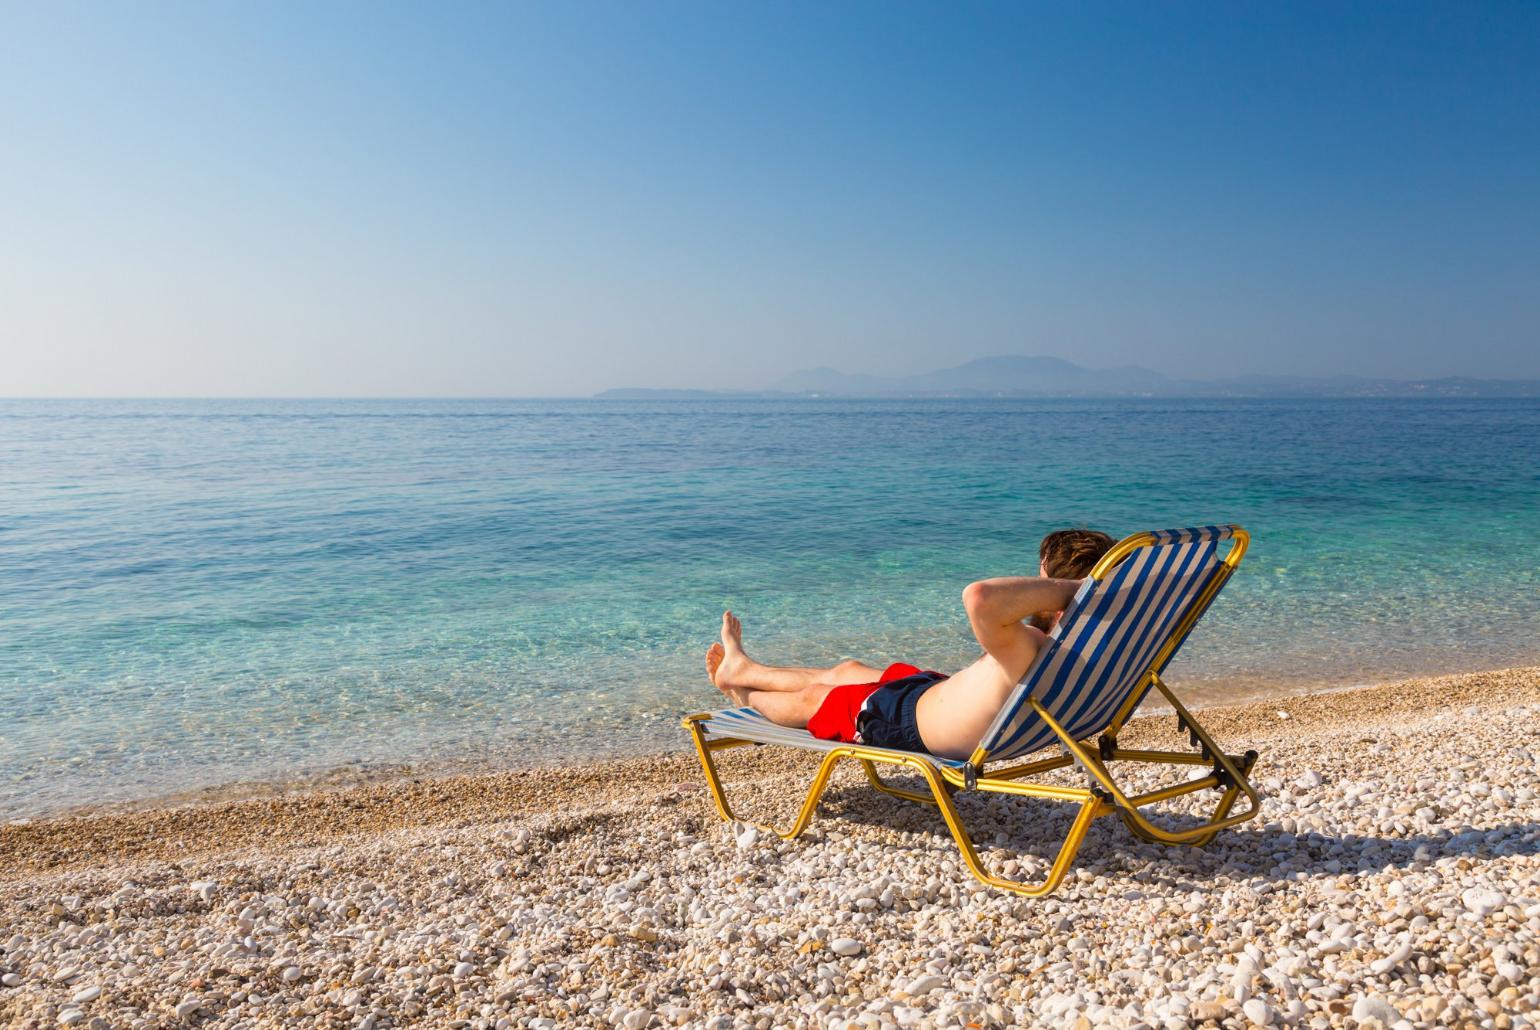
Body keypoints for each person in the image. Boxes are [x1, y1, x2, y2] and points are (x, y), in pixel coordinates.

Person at [705, 529, 1115, 761]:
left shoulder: (1031, 646)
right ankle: (742, 668)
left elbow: (979, 598)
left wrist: (1074, 590)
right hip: (935, 692)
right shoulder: (1100, 647)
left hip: (906, 724)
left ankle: (745, 693)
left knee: (817, 698)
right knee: (848, 670)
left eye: (1041, 580)